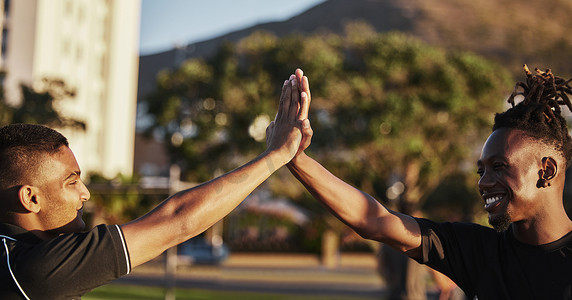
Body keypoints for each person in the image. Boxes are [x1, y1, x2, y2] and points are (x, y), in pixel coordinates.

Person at [0, 72, 311, 299]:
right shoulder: (31, 270)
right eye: (71, 181)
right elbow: (177, 220)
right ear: (30, 198)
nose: (85, 193)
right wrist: (276, 156)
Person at [282, 66, 572, 299]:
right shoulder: (479, 251)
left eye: (498, 167)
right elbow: (375, 220)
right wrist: (296, 158)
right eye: (481, 171)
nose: (484, 183)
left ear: (546, 171)